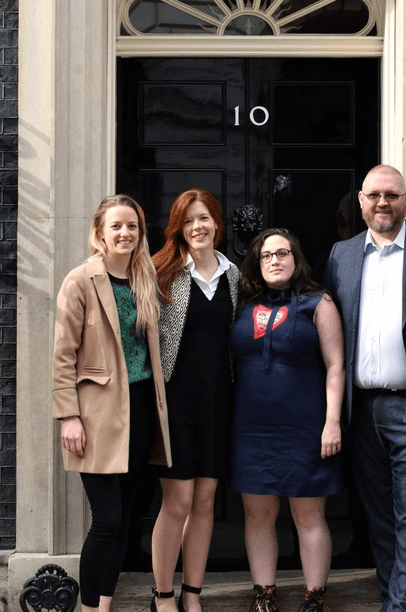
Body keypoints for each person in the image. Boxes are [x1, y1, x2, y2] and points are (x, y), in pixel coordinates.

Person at [52, 194, 172, 612]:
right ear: (99, 233)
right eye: (116, 226)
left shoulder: (145, 278)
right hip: (96, 414)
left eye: (133, 226)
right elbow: (62, 354)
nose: (125, 233)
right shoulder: (80, 280)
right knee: (107, 519)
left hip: (140, 410)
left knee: (126, 515)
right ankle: (89, 608)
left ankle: (104, 604)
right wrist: (68, 415)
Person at [324, 165, 406, 612]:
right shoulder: (341, 254)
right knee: (378, 515)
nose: (382, 203)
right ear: (362, 202)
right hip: (361, 407)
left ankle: (402, 608)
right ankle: (396, 599)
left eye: (392, 195)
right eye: (373, 196)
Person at [230, 228, 344, 612]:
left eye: (282, 253)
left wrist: (332, 422)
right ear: (256, 263)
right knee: (258, 512)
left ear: (296, 259)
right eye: (266, 256)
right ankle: (264, 594)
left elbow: (335, 366)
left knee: (308, 513)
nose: (274, 261)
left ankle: (315, 597)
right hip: (251, 427)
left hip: (305, 427)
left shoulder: (319, 302)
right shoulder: (242, 303)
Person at [149, 190, 239, 612]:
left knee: (204, 501)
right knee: (178, 500)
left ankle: (193, 594)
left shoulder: (234, 275)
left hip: (218, 403)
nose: (197, 227)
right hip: (175, 405)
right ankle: (163, 594)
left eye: (203, 218)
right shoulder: (160, 271)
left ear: (216, 223)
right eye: (188, 221)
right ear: (178, 229)